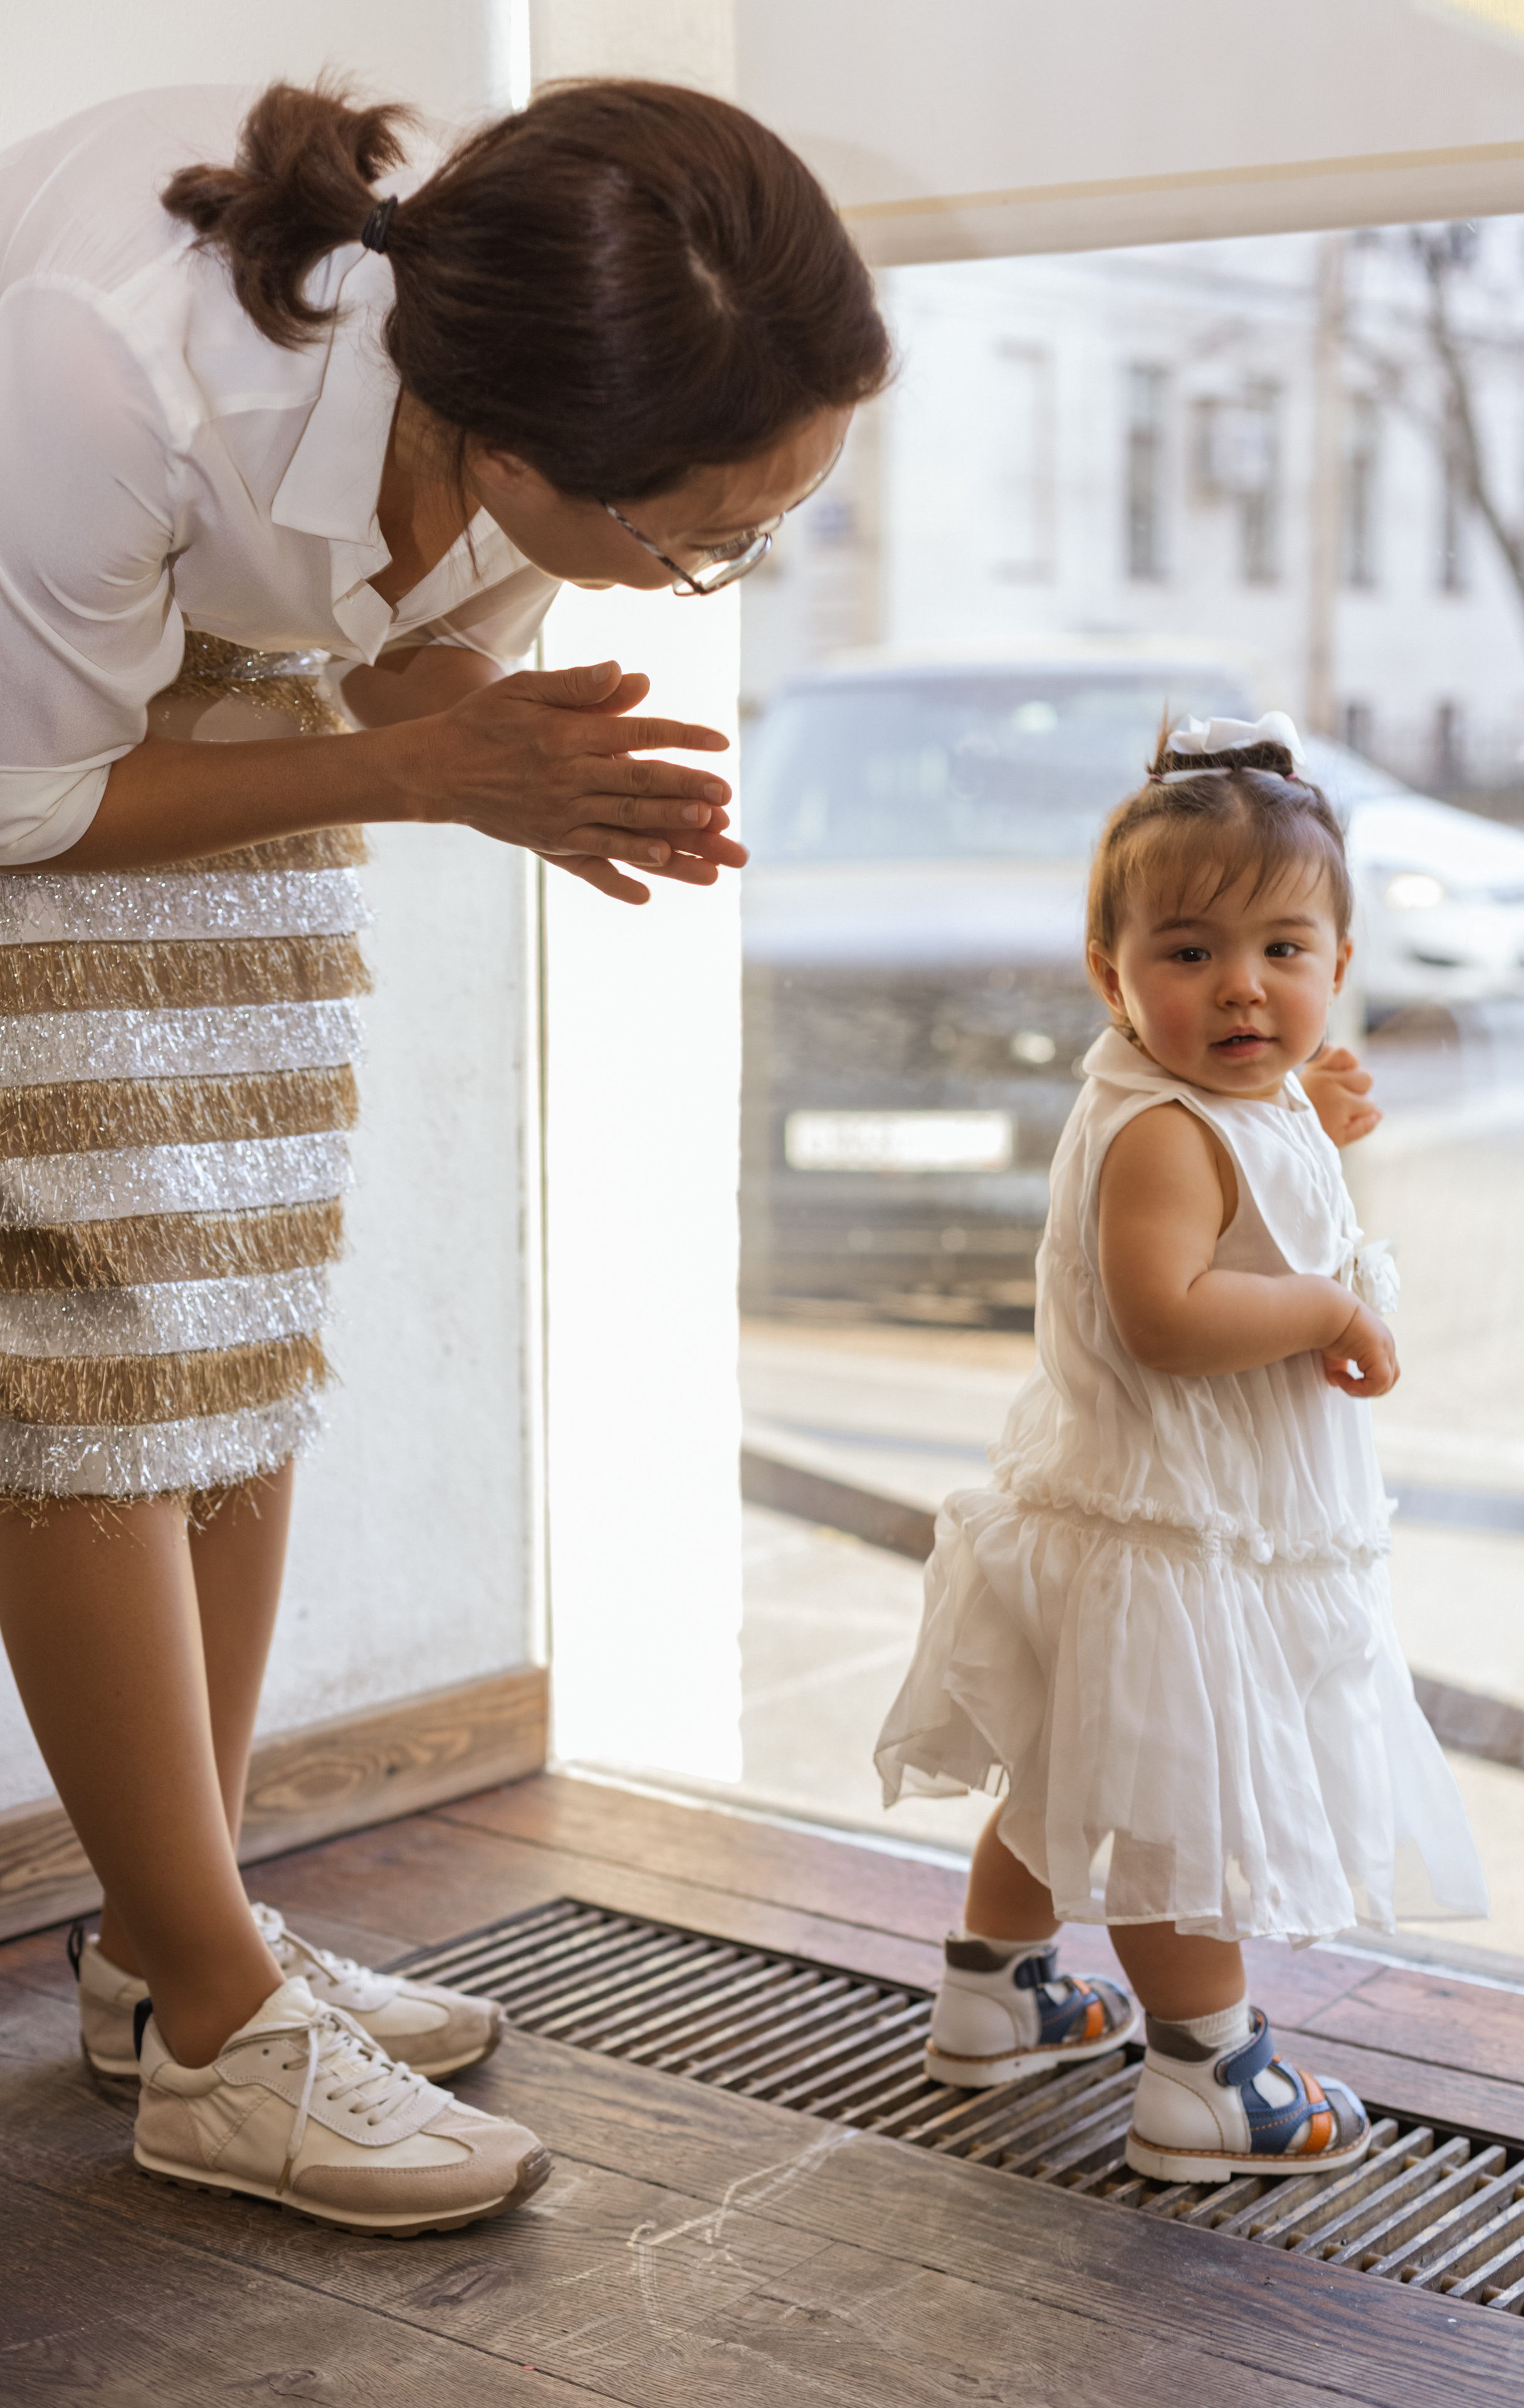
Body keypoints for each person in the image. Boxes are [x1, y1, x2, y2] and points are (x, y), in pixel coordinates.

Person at [0, 75, 890, 2234]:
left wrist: (500, 751)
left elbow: (445, 638)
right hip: (27, 740)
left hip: (226, 730)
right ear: (507, 442)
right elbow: (16, 804)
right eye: (699, 537)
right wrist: (416, 764)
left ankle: (168, 1935)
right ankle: (218, 2028)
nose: (707, 583)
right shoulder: (105, 365)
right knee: (92, 1364)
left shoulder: (544, 339)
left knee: (242, 1315)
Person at [875, 714, 1488, 2185]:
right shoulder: (1157, 1131)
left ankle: (996, 1990)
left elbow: (1252, 1174)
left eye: (1283, 952)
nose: (1241, 989)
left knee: (1067, 1761)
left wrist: (1308, 1122)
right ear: (1109, 975)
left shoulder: (1233, 1098)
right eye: (1189, 952)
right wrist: (1328, 1299)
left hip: (1171, 1519)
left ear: (1339, 966)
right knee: (1165, 1807)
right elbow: (1167, 1312)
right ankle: (1206, 2076)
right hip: (1174, 1532)